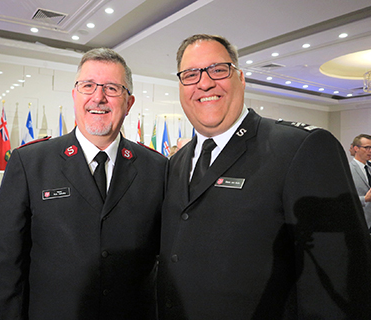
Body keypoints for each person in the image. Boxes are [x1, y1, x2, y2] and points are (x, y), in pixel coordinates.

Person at [157, 34, 371, 319]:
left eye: (218, 69)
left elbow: (341, 276)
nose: (204, 82)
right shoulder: (177, 162)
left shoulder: (300, 147)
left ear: (241, 78)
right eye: (190, 74)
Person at [0, 48, 167, 319]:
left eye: (112, 88)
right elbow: (3, 267)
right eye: (88, 85)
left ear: (129, 103)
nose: (98, 97)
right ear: (74, 95)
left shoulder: (157, 168)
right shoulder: (30, 163)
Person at [349, 134, 371, 230]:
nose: (370, 151)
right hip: (360, 222)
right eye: (366, 147)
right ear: (356, 148)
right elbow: (345, 199)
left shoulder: (370, 169)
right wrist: (365, 199)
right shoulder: (348, 170)